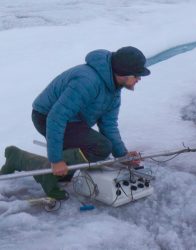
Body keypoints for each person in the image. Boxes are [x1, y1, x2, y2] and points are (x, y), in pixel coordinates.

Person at [1, 46, 150, 200]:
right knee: (100, 147)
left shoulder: (113, 89)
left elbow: (109, 124)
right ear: (123, 72)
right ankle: (46, 172)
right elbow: (56, 118)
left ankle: (16, 157)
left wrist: (123, 155)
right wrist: (56, 160)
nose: (139, 78)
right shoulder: (87, 81)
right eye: (137, 74)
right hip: (45, 117)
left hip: (74, 121)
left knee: (66, 173)